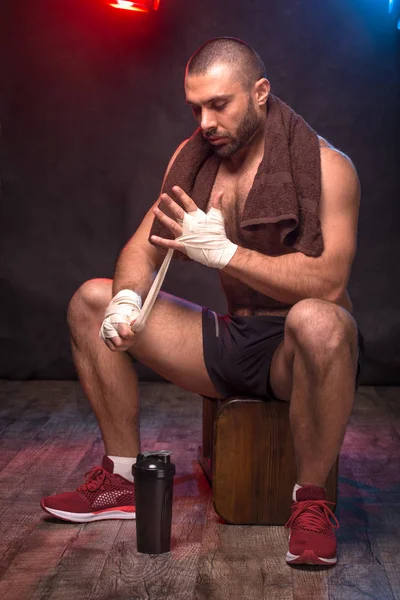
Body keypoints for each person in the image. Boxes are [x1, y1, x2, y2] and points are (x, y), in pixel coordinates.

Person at [41, 37, 363, 567]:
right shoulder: (197, 163)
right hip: (233, 339)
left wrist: (225, 254)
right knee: (92, 299)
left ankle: (311, 504)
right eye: (196, 107)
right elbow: (140, 252)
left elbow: (328, 284)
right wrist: (125, 304)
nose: (206, 121)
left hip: (300, 352)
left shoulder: (329, 167)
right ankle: (122, 479)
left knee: (318, 320)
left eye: (220, 104)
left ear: (260, 93)